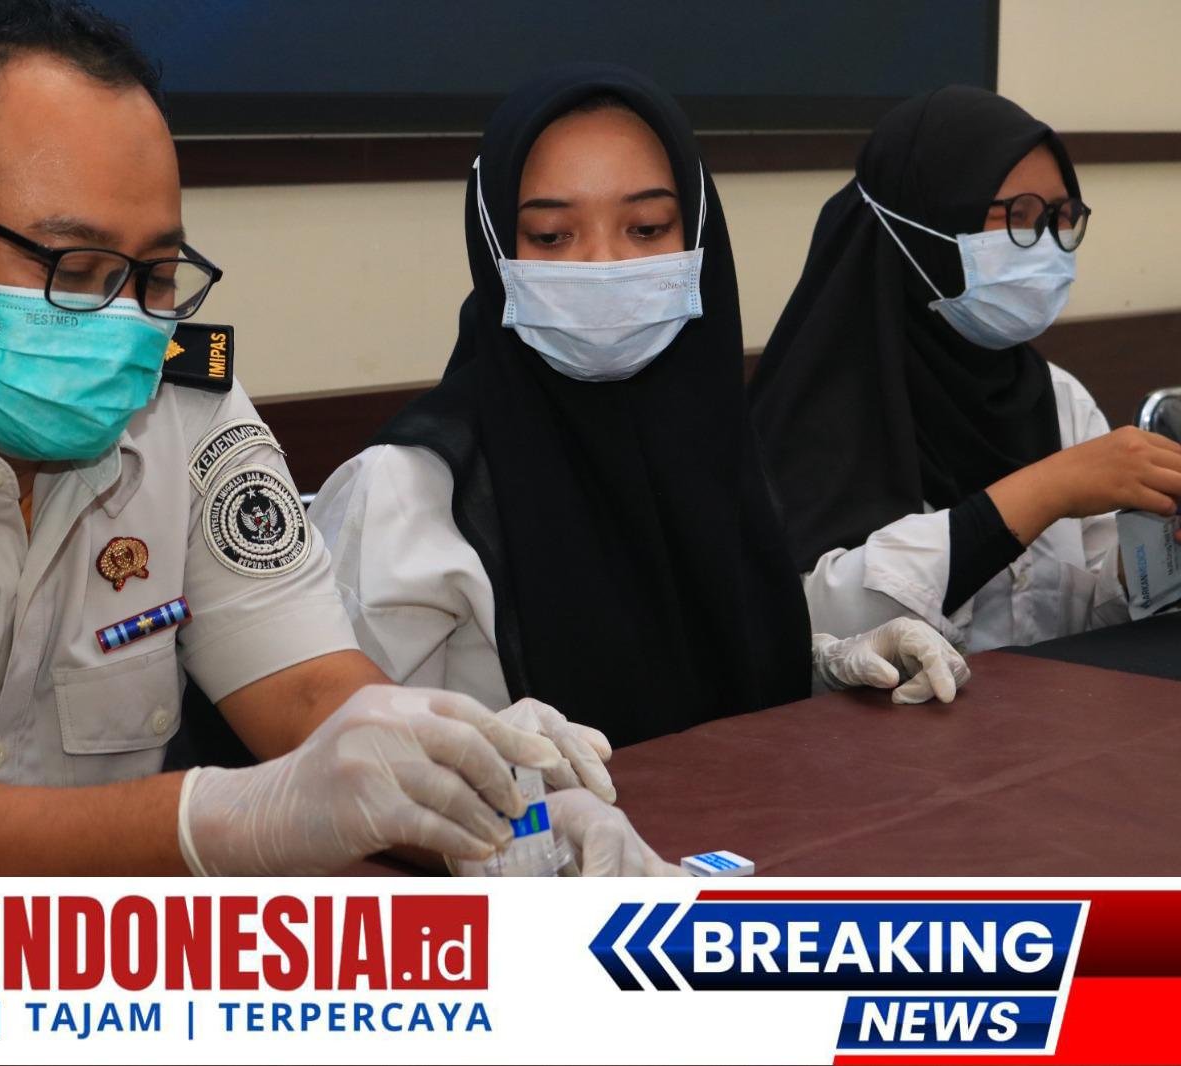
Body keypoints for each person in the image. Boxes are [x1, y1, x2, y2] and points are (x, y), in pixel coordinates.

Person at [0, 0, 645, 877]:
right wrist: (228, 817)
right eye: (76, 270)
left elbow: (313, 696)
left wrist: (497, 800)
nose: (130, 323)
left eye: (158, 274)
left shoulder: (183, 412)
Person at [310, 64, 969, 751]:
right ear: (497, 248)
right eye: (552, 236)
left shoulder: (711, 446)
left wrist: (826, 668)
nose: (604, 264)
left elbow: (691, 681)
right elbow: (338, 760)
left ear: (698, 233)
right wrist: (488, 759)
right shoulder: (407, 492)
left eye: (648, 228)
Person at [749, 86, 1181, 652]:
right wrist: (1044, 490)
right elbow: (807, 626)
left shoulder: (1057, 397)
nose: (1046, 245)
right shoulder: (817, 407)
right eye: (1017, 216)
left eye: (1060, 217)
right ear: (921, 226)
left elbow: (1087, 611)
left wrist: (1151, 556)